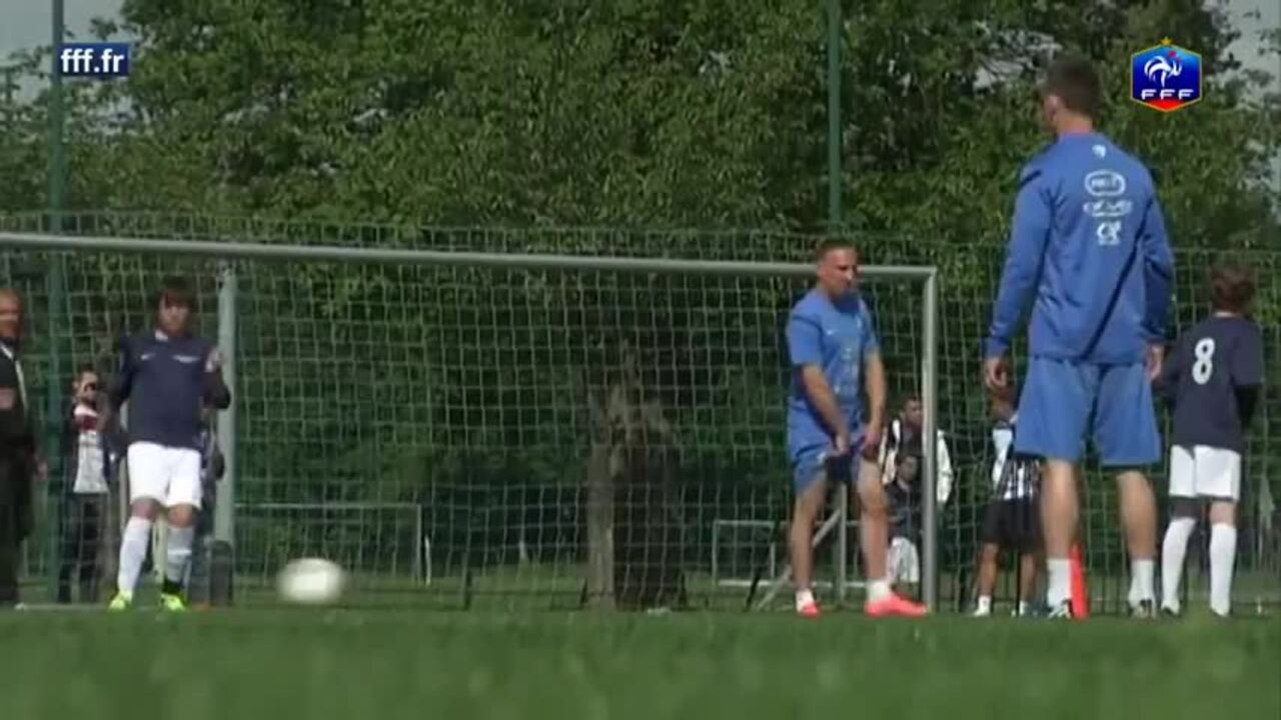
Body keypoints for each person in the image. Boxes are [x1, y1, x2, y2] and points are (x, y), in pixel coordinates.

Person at [982, 54, 1174, 618]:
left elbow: (1022, 264)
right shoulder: (1137, 175)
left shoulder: (1045, 175)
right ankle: (1144, 592)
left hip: (1061, 342)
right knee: (1132, 466)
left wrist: (998, 339)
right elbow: (1161, 261)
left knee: (1059, 463)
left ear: (1053, 104)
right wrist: (1154, 332)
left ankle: (1062, 592)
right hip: (1123, 342)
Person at [785, 239, 926, 618]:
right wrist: (836, 430)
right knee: (809, 507)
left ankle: (879, 594)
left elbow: (873, 364)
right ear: (821, 270)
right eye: (842, 269)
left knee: (874, 498)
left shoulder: (859, 310)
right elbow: (813, 380)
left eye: (854, 269)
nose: (850, 276)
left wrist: (876, 420)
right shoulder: (805, 316)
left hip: (852, 424)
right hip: (813, 427)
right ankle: (804, 597)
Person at [108, 276, 230, 611]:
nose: (176, 312)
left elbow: (221, 397)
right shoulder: (138, 346)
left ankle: (172, 592)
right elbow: (115, 393)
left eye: (182, 306)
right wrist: (114, 434)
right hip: (146, 441)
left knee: (182, 515)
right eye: (170, 305)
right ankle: (124, 592)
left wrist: (215, 372)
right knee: (144, 507)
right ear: (158, 309)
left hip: (186, 445)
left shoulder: (201, 350)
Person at [1158, 263, 1263, 618]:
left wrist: (1183, 406)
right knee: (1223, 511)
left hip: (1186, 431)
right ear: (1247, 298)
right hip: (1221, 428)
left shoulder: (1194, 333)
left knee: (1183, 514)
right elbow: (1247, 383)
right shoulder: (1245, 334)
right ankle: (1219, 604)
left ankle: (1168, 599)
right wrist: (1242, 419)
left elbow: (1165, 380)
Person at [973, 358, 1040, 617]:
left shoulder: (1027, 415)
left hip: (1025, 489)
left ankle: (1023, 606)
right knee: (990, 547)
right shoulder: (994, 416)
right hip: (1000, 491)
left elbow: (1032, 443)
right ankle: (983, 604)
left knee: (1027, 550)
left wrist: (1013, 418)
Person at [57, 365, 119, 604]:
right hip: (76, 485)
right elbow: (66, 428)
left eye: (97, 387)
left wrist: (112, 457)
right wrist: (78, 402)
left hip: (98, 486)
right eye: (88, 385)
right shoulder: (70, 410)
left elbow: (119, 439)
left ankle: (88, 596)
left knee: (92, 547)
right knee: (71, 541)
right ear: (77, 385)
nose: (93, 391)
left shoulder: (102, 416)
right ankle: (63, 595)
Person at [0, 289, 37, 607]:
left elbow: (19, 408)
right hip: (3, 456)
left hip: (17, 459)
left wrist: (32, 451)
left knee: (17, 524)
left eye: (14, 312)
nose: (11, 319)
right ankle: (7, 596)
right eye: (4, 313)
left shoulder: (16, 357)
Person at [880, 395, 955, 509]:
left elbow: (944, 472)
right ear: (903, 414)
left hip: (923, 500)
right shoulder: (890, 435)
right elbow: (880, 464)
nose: (920, 413)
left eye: (921, 409)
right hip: (891, 496)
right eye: (914, 410)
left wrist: (940, 500)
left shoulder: (935, 438)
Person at [885, 447, 922, 598]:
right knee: (889, 580)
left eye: (914, 466)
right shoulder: (888, 491)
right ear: (898, 466)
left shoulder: (918, 494)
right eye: (908, 465)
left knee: (911, 582)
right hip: (893, 541)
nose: (911, 470)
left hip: (911, 540)